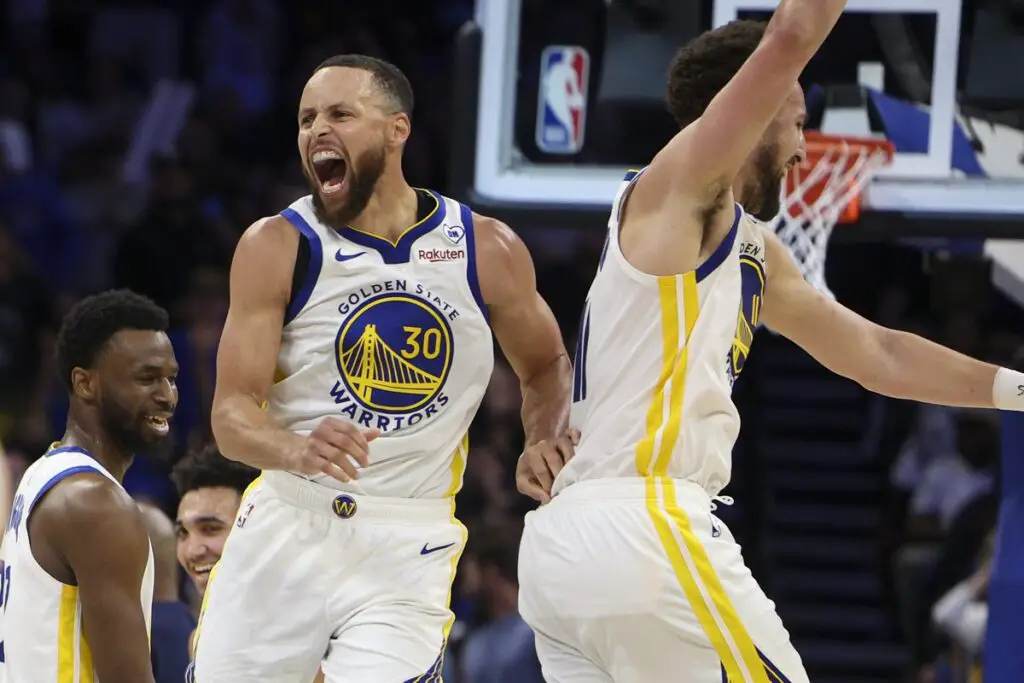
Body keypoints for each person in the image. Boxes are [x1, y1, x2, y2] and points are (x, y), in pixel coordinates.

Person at [516, 3, 1024, 682]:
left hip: (567, 555)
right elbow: (792, 32)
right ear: (754, 104)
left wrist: (1014, 388)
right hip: (643, 523)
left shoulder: (748, 250)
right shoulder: (678, 186)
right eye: (798, 119)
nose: (805, 148)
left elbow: (878, 355)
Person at [193, 54, 574, 683]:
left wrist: (542, 436)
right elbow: (231, 415)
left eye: (340, 113)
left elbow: (547, 365)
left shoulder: (485, 248)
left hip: (407, 539)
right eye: (306, 118)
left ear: (397, 129)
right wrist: (294, 447)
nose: (317, 130)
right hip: (289, 523)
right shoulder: (277, 245)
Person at [0, 289, 178, 683]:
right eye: (147, 378)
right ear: (84, 384)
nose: (166, 395)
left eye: (171, 378)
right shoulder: (95, 503)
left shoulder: (41, 474)